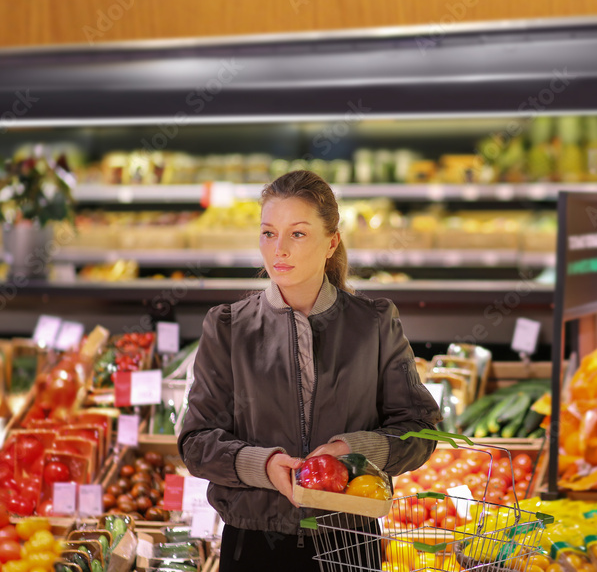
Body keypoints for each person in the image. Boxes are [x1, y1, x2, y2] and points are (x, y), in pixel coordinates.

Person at [178, 170, 441, 570]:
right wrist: (263, 465)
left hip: (350, 545)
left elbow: (420, 428)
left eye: (297, 234)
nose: (279, 249)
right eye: (268, 233)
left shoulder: (374, 324)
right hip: (252, 545)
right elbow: (196, 442)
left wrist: (353, 451)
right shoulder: (229, 326)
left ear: (331, 242)